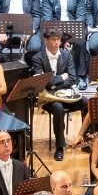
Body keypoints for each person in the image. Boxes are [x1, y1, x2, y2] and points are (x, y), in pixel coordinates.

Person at [36, 0, 92, 85]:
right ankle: (50, 75)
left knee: (80, 42)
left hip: (74, 28)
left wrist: (69, 37)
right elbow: (48, 19)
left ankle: (81, 76)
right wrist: (62, 37)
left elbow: (80, 17)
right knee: (46, 40)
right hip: (55, 30)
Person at [32, 27, 83, 161]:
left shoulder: (66, 55)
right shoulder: (37, 58)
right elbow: (41, 82)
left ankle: (86, 139)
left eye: (58, 40)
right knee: (58, 108)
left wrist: (52, 83)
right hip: (48, 99)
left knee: (88, 103)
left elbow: (72, 78)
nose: (56, 43)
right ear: (46, 40)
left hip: (65, 95)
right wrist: (61, 77)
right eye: (53, 39)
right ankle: (60, 147)